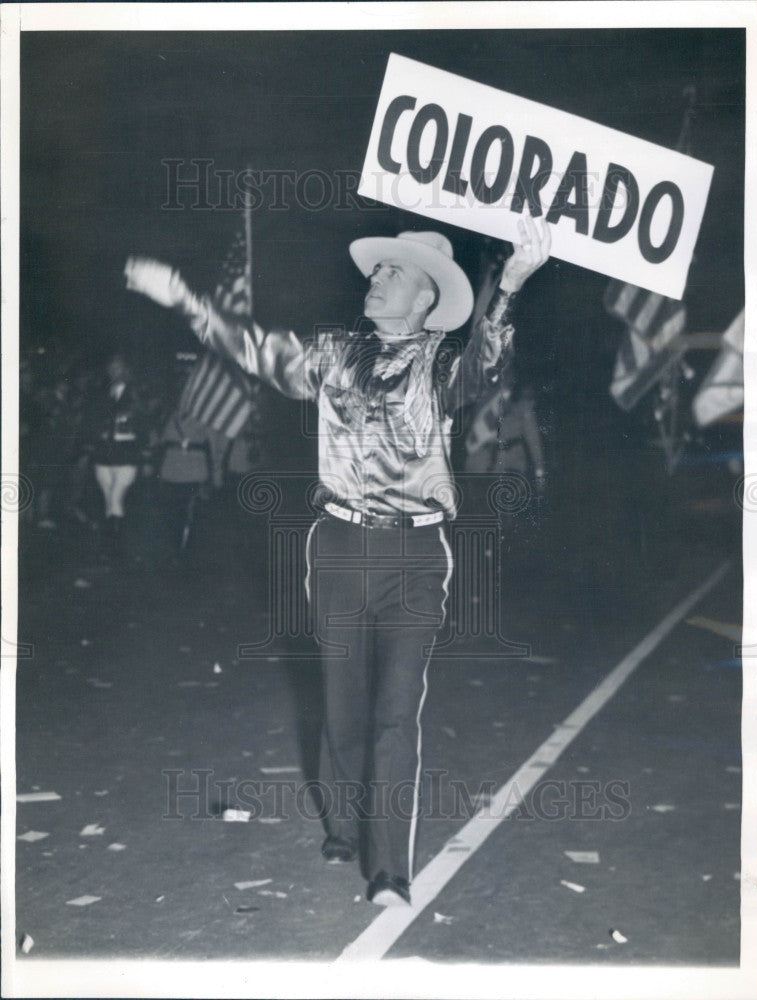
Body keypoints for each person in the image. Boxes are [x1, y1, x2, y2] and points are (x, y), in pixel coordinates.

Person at [124, 216, 550, 906]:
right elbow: (252, 349)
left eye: (394, 273)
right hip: (338, 548)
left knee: (395, 711)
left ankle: (390, 870)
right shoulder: (330, 353)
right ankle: (343, 822)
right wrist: (182, 298)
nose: (376, 279)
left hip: (414, 555)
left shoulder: (442, 364)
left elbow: (486, 363)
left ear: (424, 299)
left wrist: (511, 287)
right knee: (342, 702)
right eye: (376, 269)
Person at [83, 354, 147, 556]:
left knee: (116, 497)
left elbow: (145, 423)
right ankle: (111, 545)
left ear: (126, 370)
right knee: (109, 501)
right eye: (111, 368)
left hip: (126, 455)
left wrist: (144, 452)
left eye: (118, 368)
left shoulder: (138, 394)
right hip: (104, 454)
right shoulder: (100, 394)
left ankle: (113, 545)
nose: (114, 372)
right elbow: (91, 421)